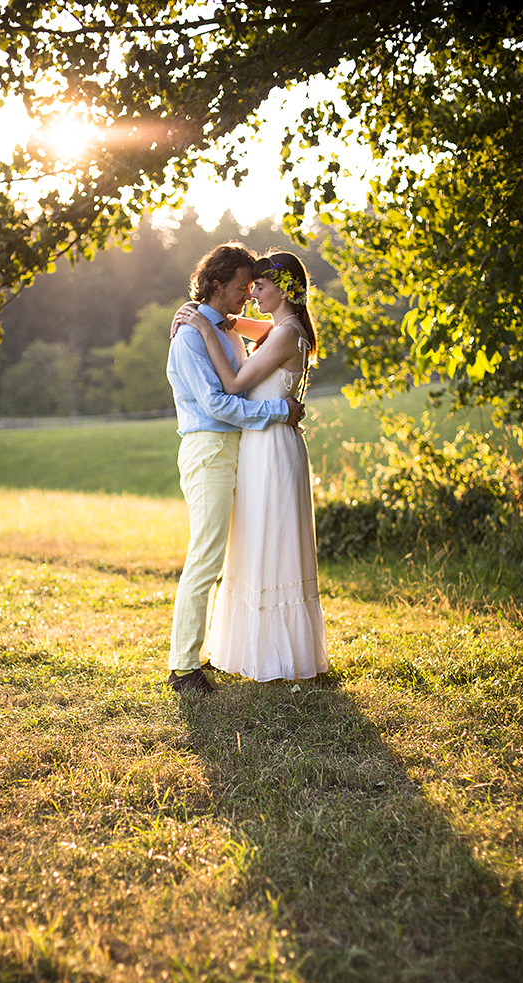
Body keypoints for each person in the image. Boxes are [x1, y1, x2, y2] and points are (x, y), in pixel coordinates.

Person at [176, 250, 328, 683]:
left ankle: (276, 653)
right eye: (247, 286)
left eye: (258, 286)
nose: (251, 293)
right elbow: (242, 324)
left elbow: (233, 385)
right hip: (252, 445)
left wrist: (205, 327)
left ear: (285, 289)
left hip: (271, 446)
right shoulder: (280, 329)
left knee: (270, 543)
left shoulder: (286, 334)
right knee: (251, 544)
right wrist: (204, 317)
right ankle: (236, 651)